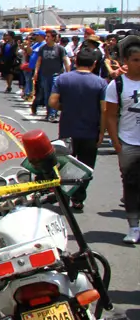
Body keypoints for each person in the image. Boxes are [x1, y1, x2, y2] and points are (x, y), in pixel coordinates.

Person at [49, 48, 106, 212]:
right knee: (86, 167)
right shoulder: (101, 83)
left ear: (76, 61)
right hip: (90, 131)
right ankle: (78, 198)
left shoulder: (63, 79)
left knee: (66, 164)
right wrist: (102, 132)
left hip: (67, 130)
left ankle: (64, 196)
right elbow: (104, 110)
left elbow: (53, 102)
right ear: (94, 64)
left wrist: (66, 108)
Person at [105, 35, 140, 243]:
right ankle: (133, 226)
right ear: (126, 61)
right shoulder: (117, 84)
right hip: (128, 142)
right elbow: (110, 115)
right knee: (131, 183)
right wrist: (116, 142)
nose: (139, 64)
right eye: (135, 60)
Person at [34, 29, 71, 122]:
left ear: (54, 38)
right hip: (45, 75)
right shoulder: (42, 48)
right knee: (47, 94)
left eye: (48, 36)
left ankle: (53, 114)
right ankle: (49, 112)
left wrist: (69, 73)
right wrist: (36, 72)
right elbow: (39, 61)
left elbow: (65, 61)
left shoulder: (60, 48)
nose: (46, 38)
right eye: (46, 36)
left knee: (54, 94)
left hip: (56, 75)